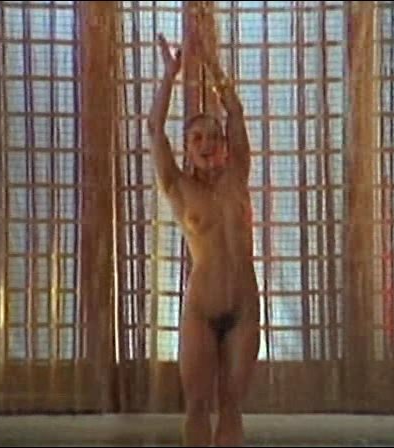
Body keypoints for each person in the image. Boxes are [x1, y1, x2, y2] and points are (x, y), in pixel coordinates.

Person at [147, 27, 260, 447]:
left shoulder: (237, 176)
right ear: (187, 149)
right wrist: (170, 76)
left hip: (244, 307)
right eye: (198, 138)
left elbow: (235, 111)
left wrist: (211, 63)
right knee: (197, 406)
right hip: (201, 309)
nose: (208, 142)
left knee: (231, 406)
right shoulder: (178, 187)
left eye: (214, 136)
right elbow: (154, 128)